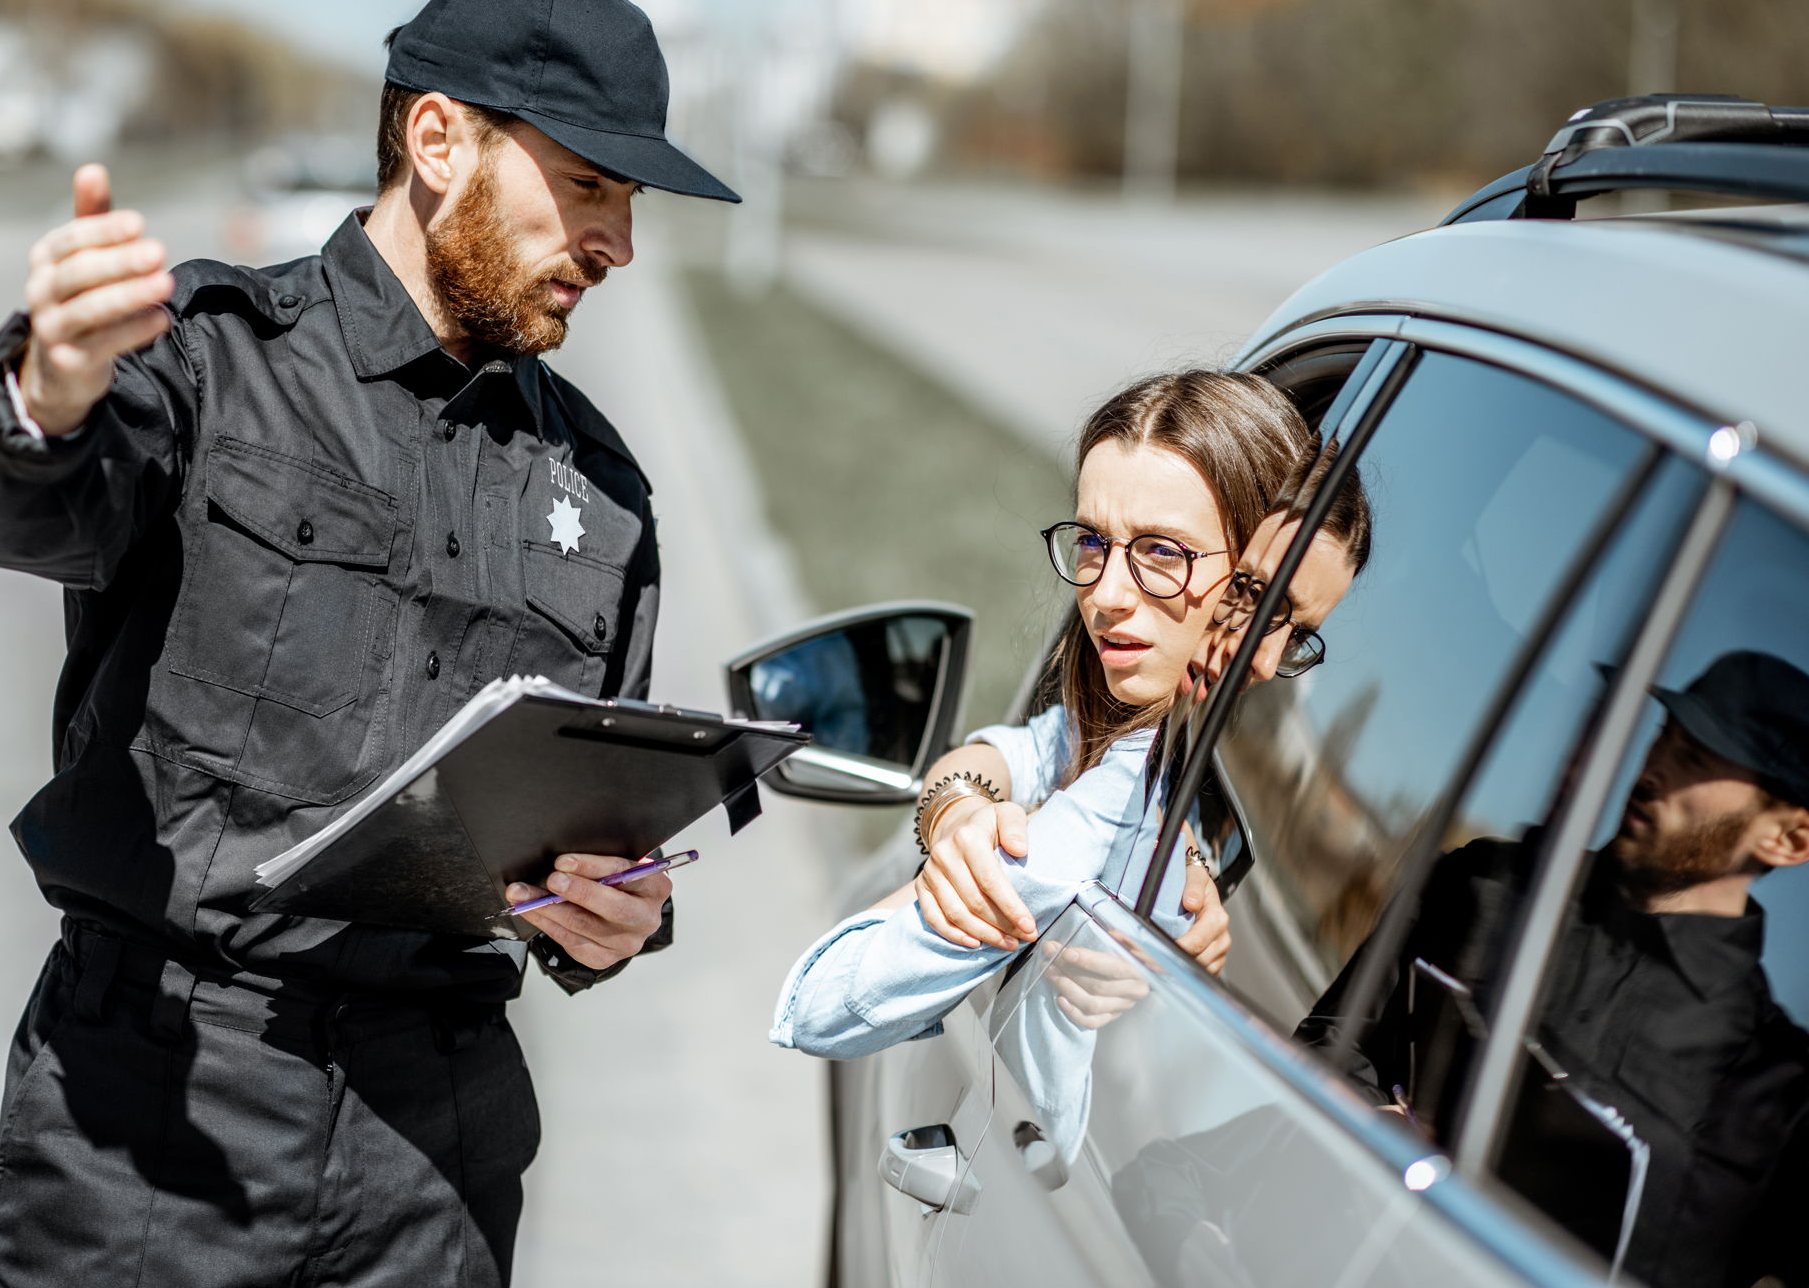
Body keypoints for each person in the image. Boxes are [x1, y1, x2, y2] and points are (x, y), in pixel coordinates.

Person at [0, 0, 738, 1287]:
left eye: (629, 202)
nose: (618, 244)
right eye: (588, 185)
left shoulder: (602, 492)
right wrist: (42, 392)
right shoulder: (207, 355)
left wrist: (619, 910)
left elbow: (591, 814)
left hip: (442, 1143)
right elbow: (21, 506)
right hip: (165, 1119)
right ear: (436, 140)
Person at [770, 369, 1311, 1060]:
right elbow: (1021, 750)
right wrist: (959, 815)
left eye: (1161, 551)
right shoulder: (1136, 743)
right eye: (1092, 541)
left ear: (1254, 581)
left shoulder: (1123, 793)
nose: (1107, 595)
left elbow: (819, 1001)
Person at [1297, 650, 1809, 1288]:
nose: (1653, 771)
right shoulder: (1482, 885)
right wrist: (1378, 1127)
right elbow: (1324, 1048)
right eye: (1663, 741)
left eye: (1696, 761)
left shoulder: (1780, 1092)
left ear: (1786, 840)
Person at [912, 440, 1373, 959]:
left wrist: (1182, 945)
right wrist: (958, 817)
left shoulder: (1182, 760)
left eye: (1295, 633)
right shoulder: (1111, 734)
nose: (1266, 664)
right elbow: (1007, 759)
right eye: (1256, 596)